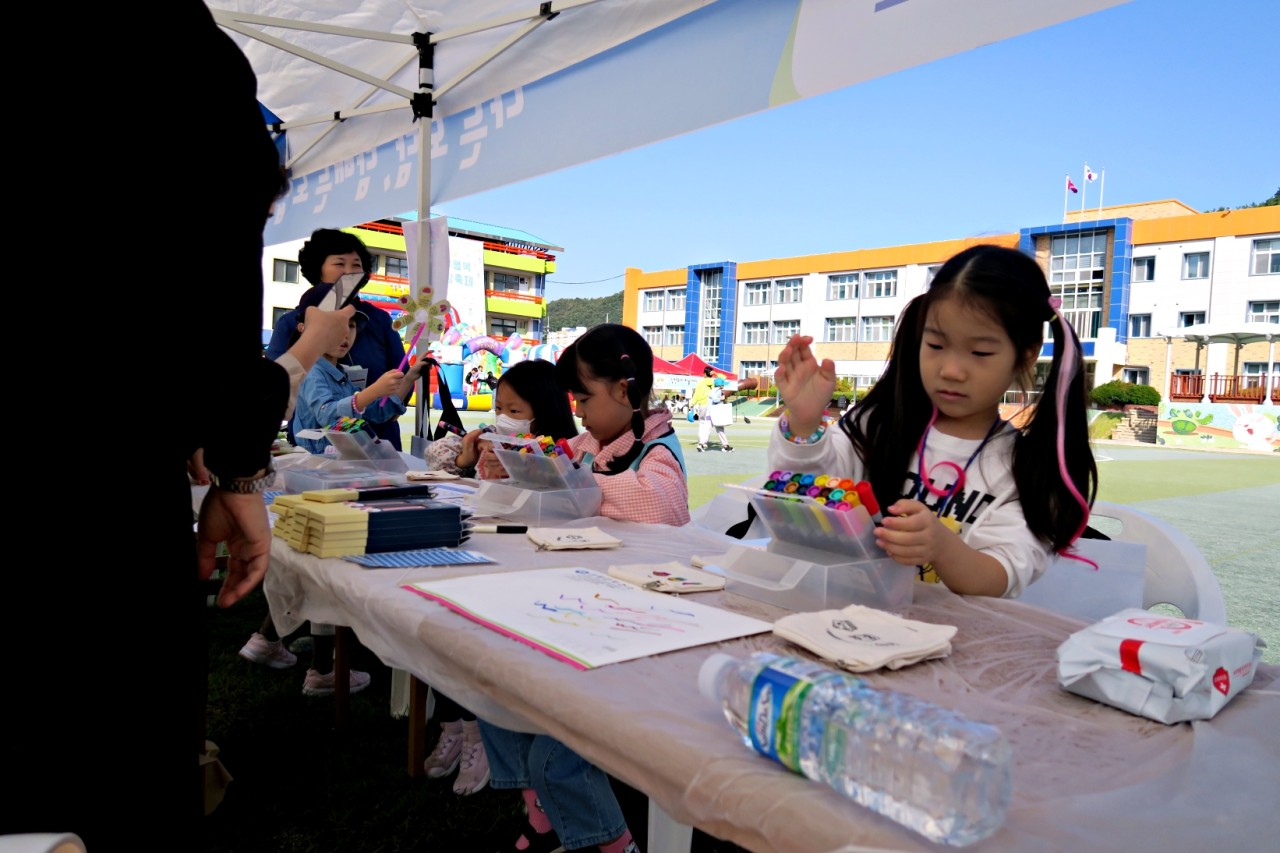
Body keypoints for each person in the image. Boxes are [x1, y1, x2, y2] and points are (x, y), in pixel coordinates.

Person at [768, 244, 1097, 599]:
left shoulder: (1028, 469)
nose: (951, 371)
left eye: (980, 353)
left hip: (954, 643)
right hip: (847, 618)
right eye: (936, 345)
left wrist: (941, 547)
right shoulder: (876, 424)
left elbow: (1002, 575)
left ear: (1027, 356)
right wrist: (804, 422)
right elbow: (805, 494)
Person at [477, 324, 687, 853]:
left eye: (584, 396)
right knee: (490, 683)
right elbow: (551, 461)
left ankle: (607, 839)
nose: (578, 408)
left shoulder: (658, 449)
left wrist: (572, 475)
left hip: (635, 621)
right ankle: (541, 811)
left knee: (555, 745)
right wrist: (510, 462)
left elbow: (661, 504)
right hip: (581, 598)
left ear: (624, 389)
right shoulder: (593, 440)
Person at [241, 286, 425, 696]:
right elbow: (329, 415)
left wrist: (401, 388)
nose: (346, 336)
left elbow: (366, 417)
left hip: (333, 476)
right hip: (316, 477)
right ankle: (312, 660)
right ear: (305, 327)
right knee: (320, 565)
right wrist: (371, 393)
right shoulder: (312, 373)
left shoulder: (338, 371)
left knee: (315, 564)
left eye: (352, 328)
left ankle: (280, 643)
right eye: (337, 325)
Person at [417, 359, 578, 797]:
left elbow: (563, 505)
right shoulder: (490, 443)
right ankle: (457, 724)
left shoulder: (563, 451)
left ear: (542, 411)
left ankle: (478, 731)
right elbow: (447, 467)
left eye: (514, 410)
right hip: (486, 545)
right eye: (498, 407)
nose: (502, 418)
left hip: (532, 565)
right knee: (442, 614)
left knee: (477, 629)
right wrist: (470, 461)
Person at [266, 228, 408, 450]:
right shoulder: (291, 321)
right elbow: (277, 384)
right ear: (318, 268)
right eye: (340, 264)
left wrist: (389, 406)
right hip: (319, 449)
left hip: (377, 442)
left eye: (356, 264)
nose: (349, 271)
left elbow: (401, 372)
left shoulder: (378, 319)